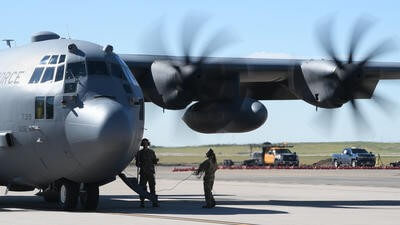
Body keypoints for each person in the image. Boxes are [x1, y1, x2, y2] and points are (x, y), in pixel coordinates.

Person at [135, 138, 159, 207]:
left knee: (152, 187)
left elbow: (154, 161)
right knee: (142, 188)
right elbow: (137, 164)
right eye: (144, 143)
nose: (145, 144)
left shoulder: (152, 152)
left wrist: (156, 160)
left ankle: (154, 202)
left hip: (150, 172)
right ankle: (142, 202)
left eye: (146, 143)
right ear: (142, 144)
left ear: (148, 144)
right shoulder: (139, 153)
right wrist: (138, 160)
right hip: (143, 173)